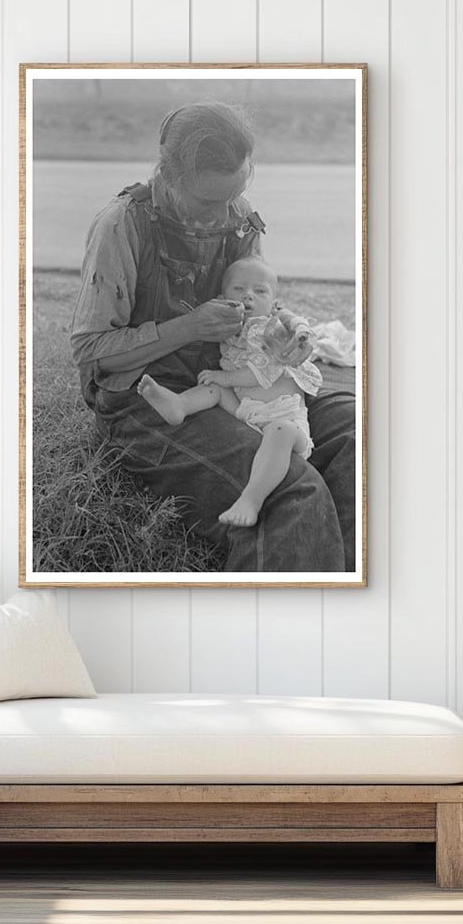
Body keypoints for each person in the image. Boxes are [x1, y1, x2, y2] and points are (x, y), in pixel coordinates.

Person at [69, 100, 356, 572]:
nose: (228, 214)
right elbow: (90, 351)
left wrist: (283, 335)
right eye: (209, 202)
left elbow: (261, 303)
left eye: (237, 192)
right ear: (171, 176)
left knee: (355, 431)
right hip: (150, 399)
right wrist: (188, 327)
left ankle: (351, 608)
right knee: (290, 492)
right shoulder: (121, 225)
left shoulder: (237, 214)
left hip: (240, 384)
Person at [137, 256, 322, 528]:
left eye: (260, 291)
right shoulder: (231, 330)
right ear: (223, 297)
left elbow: (261, 371)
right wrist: (220, 380)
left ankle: (251, 499)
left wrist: (302, 331)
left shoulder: (275, 327)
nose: (249, 295)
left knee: (277, 431)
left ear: (274, 302)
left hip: (287, 421)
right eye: (239, 289)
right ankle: (179, 405)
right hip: (244, 411)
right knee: (212, 389)